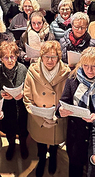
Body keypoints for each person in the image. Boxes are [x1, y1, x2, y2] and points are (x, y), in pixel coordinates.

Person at [57, 47, 95, 177]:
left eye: (94, 66)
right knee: (75, 168)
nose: (89, 70)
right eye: (86, 66)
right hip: (76, 134)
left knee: (94, 170)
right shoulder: (73, 78)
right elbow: (63, 101)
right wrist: (60, 110)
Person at [23, 41, 71, 177]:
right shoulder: (32, 72)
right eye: (46, 56)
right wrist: (40, 119)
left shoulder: (66, 73)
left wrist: (60, 114)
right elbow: (27, 98)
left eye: (53, 57)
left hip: (58, 119)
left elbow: (69, 98)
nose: (50, 60)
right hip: (38, 118)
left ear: (59, 57)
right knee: (41, 144)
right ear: (41, 57)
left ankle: (54, 157)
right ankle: (42, 159)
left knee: (55, 143)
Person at [0, 42, 29, 160]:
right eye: (6, 57)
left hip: (22, 108)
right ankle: (11, 145)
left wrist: (23, 93)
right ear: (1, 59)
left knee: (23, 130)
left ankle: (23, 145)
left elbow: (30, 87)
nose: (10, 60)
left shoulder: (23, 69)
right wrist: (1, 94)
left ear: (17, 56)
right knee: (9, 131)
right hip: (7, 109)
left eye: (12, 56)